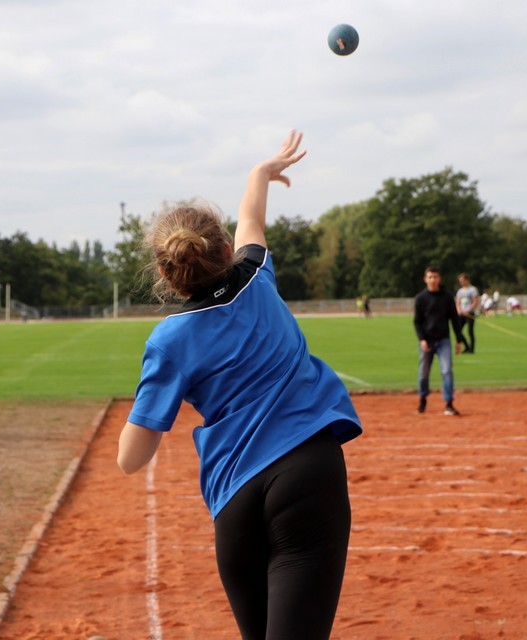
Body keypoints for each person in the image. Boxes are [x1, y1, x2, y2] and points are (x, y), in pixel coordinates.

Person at [117, 130, 362, 640]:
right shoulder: (255, 278)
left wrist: (158, 383)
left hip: (235, 499)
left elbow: (131, 458)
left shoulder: (169, 340)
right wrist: (260, 172)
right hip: (306, 474)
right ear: (226, 249)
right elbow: (252, 220)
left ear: (165, 272)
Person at [414, 266, 468, 416]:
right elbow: (417, 322)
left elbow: (454, 319)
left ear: (440, 279)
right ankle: (422, 400)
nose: (433, 280)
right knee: (423, 373)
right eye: (430, 277)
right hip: (427, 341)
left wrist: (458, 340)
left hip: (443, 340)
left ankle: (449, 403)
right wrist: (422, 339)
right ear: (425, 279)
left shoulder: (447, 297)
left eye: (435, 277)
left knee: (447, 371)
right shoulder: (420, 298)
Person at [455, 273, 480, 353]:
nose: (461, 282)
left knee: (470, 331)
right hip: (461, 314)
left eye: (462, 280)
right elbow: (458, 302)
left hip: (470, 314)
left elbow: (475, 302)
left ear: (467, 280)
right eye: (460, 281)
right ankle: (466, 346)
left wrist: (468, 310)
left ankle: (472, 349)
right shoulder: (460, 291)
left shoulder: (473, 290)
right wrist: (459, 310)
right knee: (458, 331)